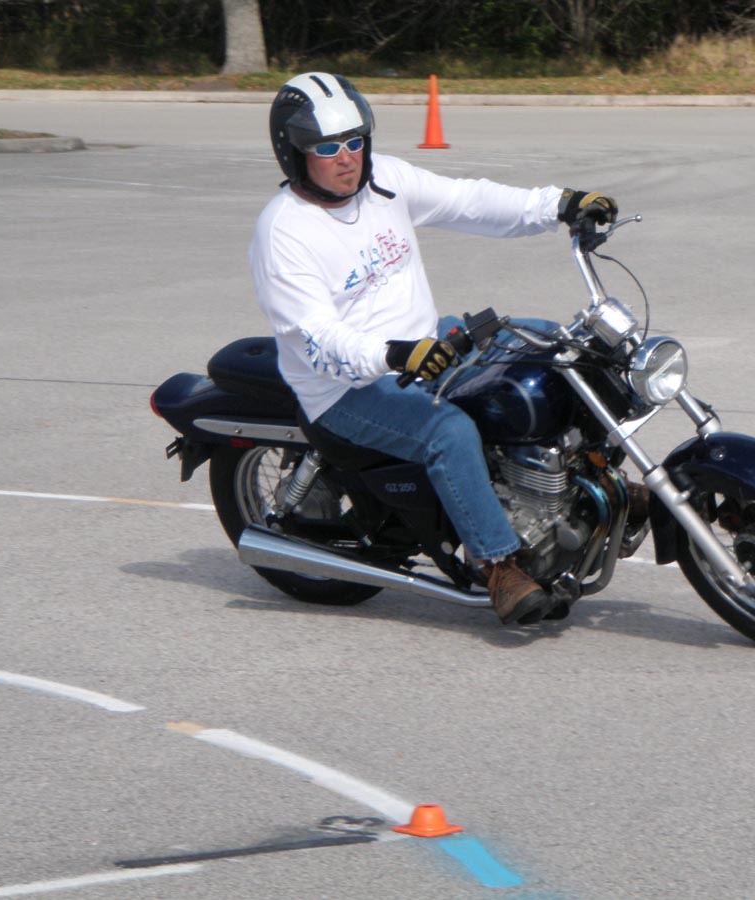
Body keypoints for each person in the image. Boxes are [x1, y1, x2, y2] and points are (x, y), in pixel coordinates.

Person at [249, 72, 618, 626]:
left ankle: (592, 477)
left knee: (553, 347)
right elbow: (318, 338)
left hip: (425, 342)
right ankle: (498, 563)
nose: (347, 157)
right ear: (294, 153)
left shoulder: (383, 181)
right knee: (450, 433)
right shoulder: (284, 232)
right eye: (326, 147)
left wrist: (559, 205)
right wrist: (396, 354)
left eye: (354, 140)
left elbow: (468, 200)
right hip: (347, 386)